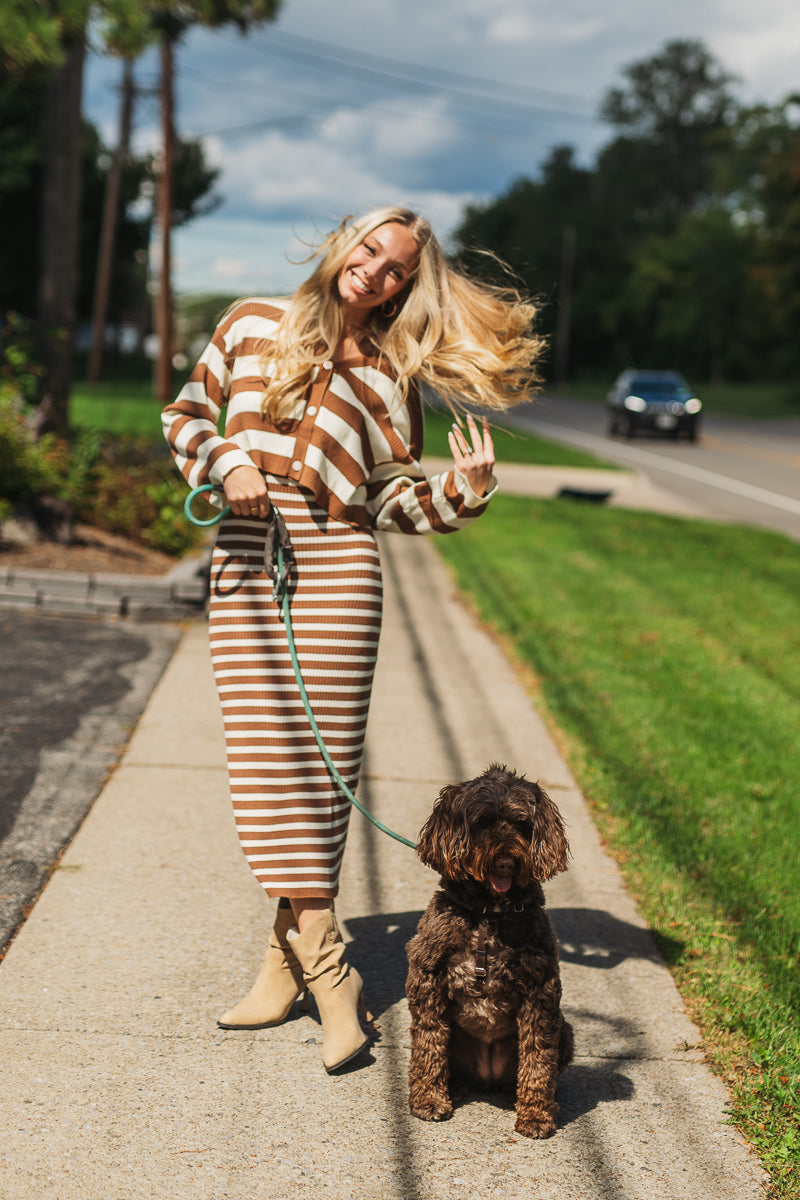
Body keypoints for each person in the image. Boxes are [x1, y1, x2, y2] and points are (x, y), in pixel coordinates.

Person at [162, 205, 543, 1073]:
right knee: (268, 763)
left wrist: (461, 490)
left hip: (339, 570)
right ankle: (328, 975)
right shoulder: (249, 323)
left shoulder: (388, 373)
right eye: (370, 250)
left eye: (396, 268)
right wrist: (228, 461)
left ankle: (297, 975)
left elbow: (392, 500)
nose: (375, 271)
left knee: (322, 777)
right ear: (345, 242)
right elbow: (184, 416)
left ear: (406, 287)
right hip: (249, 561)